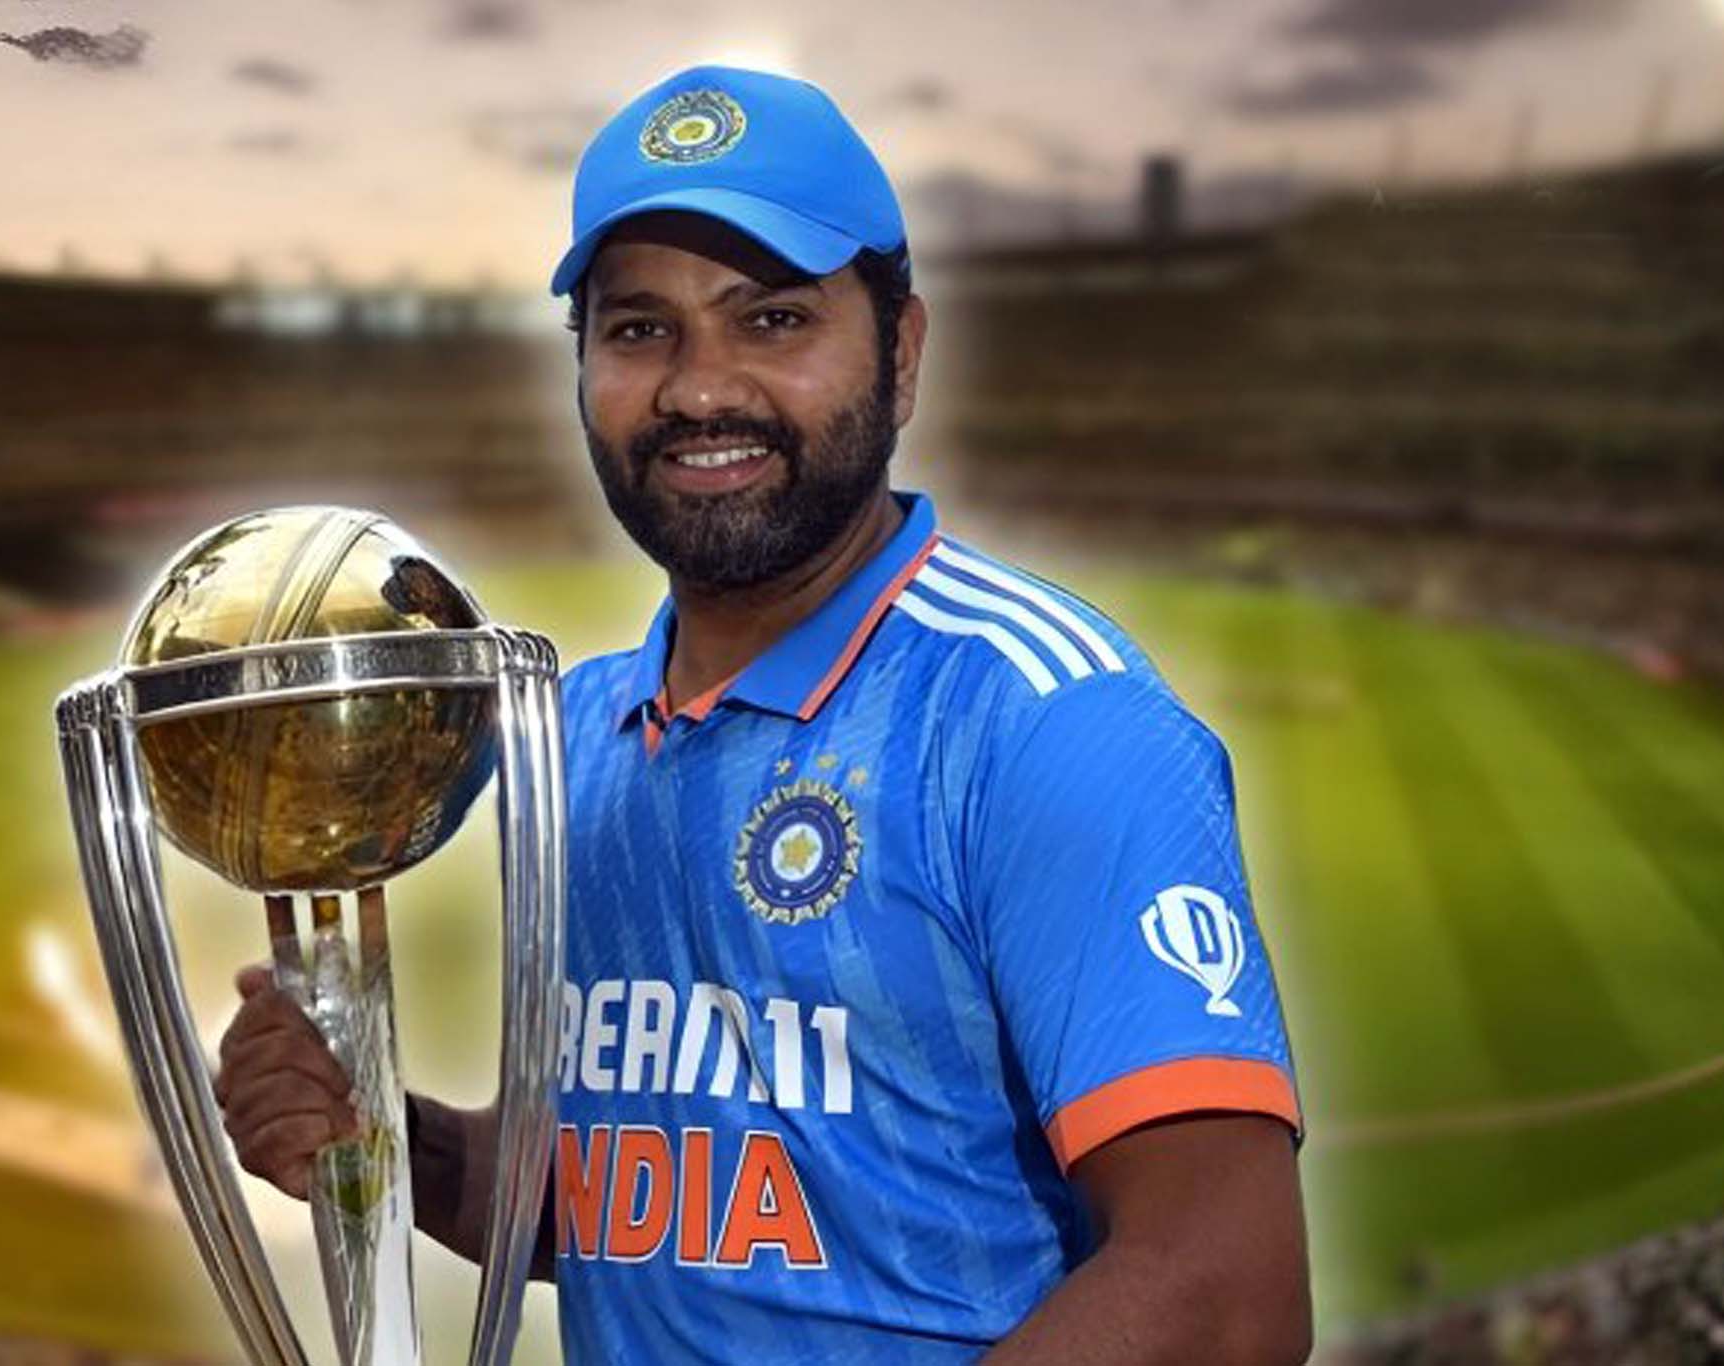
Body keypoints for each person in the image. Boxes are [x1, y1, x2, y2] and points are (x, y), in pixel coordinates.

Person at [213, 64, 1310, 1364]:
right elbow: (629, 1203)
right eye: (640, 329)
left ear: (901, 353)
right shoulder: (574, 741)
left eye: (773, 318)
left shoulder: (1043, 720)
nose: (699, 388)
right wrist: (387, 1136)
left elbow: (1222, 1291)